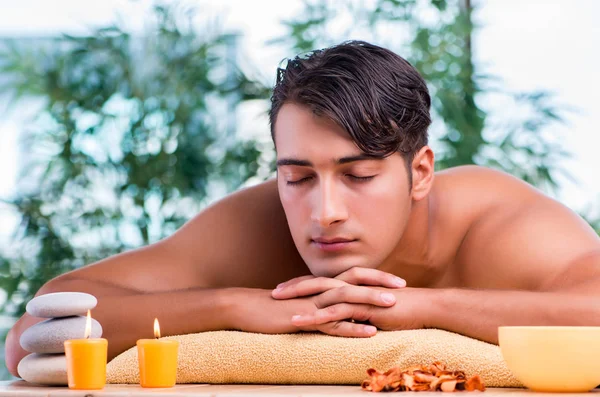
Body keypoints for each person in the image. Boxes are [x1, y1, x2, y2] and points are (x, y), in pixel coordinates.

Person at [5, 40, 600, 378]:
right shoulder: (255, 225)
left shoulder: (497, 224)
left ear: (420, 172)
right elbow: (32, 334)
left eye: (359, 174)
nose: (325, 212)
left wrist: (417, 307)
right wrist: (238, 306)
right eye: (297, 177)